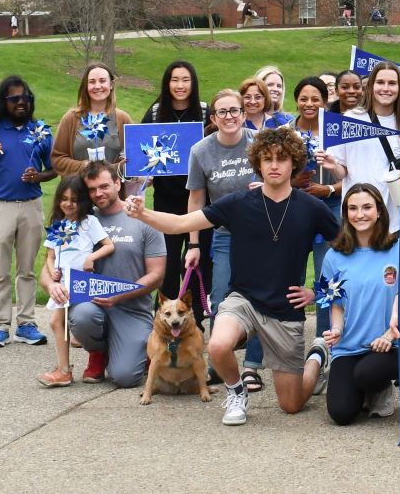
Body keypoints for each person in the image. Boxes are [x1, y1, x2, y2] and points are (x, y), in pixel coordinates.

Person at [127, 129, 339, 426]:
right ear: (258, 164)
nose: (274, 165)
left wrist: (317, 291)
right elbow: (180, 223)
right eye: (267, 159)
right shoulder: (239, 203)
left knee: (291, 404)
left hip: (285, 308)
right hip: (244, 299)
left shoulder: (312, 208)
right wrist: (142, 214)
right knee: (217, 345)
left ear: (294, 163)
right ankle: (236, 392)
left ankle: (317, 358)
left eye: (282, 158)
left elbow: (346, 251)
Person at [63, 161, 166, 388]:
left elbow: (156, 275)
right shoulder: (81, 222)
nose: (98, 193)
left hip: (132, 309)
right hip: (93, 304)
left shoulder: (145, 220)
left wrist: (120, 295)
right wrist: (51, 282)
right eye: (91, 189)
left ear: (118, 184)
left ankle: (138, 349)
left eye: (104, 186)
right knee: (82, 316)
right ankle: (98, 353)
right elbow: (54, 262)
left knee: (125, 377)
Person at [0, 75, 58, 348]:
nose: (21, 103)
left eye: (26, 98)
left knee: (27, 270)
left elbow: (54, 168)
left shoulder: (40, 130)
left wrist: (38, 176)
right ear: (4, 101)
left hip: (31, 206)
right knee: (0, 271)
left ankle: (27, 324)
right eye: (14, 99)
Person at [185, 90, 262, 386]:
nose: (229, 117)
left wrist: (267, 186)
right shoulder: (201, 151)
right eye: (222, 112)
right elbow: (196, 201)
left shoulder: (259, 142)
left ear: (244, 114)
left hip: (263, 232)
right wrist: (193, 243)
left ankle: (253, 365)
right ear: (213, 118)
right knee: (220, 298)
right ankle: (220, 362)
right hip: (225, 235)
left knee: (261, 295)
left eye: (234, 111)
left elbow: (282, 180)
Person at [320, 184, 400, 424]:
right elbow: (335, 304)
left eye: (367, 207)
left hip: (392, 344)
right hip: (350, 346)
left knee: (367, 373)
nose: (360, 214)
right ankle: (321, 360)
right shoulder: (333, 257)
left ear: (379, 211)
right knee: (341, 414)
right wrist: (336, 330)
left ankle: (379, 386)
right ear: (345, 214)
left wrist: (389, 335)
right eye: (353, 208)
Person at [142, 60, 211, 325]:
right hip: (166, 198)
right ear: (167, 83)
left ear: (193, 83)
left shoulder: (205, 111)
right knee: (169, 264)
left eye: (185, 80)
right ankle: (165, 317)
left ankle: (195, 319)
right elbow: (141, 150)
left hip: (199, 197)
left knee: (196, 261)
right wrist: (142, 175)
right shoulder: (157, 110)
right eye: (174, 80)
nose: (180, 85)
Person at [35, 176, 113, 387]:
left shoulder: (89, 223)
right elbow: (50, 257)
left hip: (80, 281)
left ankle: (63, 371)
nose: (68, 204)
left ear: (83, 201)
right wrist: (53, 274)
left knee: (56, 322)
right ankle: (63, 369)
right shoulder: (58, 225)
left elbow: (108, 245)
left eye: (74, 199)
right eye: (64, 198)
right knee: (56, 322)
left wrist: (91, 258)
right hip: (64, 282)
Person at [322, 62, 400, 232]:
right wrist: (333, 165)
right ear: (371, 86)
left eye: (392, 83)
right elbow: (342, 172)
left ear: (399, 88)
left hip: (397, 219)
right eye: (380, 82)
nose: (386, 88)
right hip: (360, 216)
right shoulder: (351, 119)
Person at [290, 77, 344, 340]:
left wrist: (329, 189)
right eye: (303, 98)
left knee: (327, 275)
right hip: (294, 206)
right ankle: (288, 336)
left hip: (331, 206)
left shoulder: (335, 130)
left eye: (315, 99)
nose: (309, 104)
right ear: (296, 100)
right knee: (290, 273)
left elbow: (354, 176)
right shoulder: (286, 131)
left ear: (325, 102)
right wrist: (291, 182)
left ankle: (324, 338)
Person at [51, 63, 134, 177]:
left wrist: (107, 170)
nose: (97, 86)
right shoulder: (71, 118)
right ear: (86, 86)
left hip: (111, 191)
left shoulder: (122, 118)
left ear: (111, 85)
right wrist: (84, 167)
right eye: (92, 82)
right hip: (78, 191)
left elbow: (133, 159)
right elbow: (57, 159)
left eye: (102, 81)